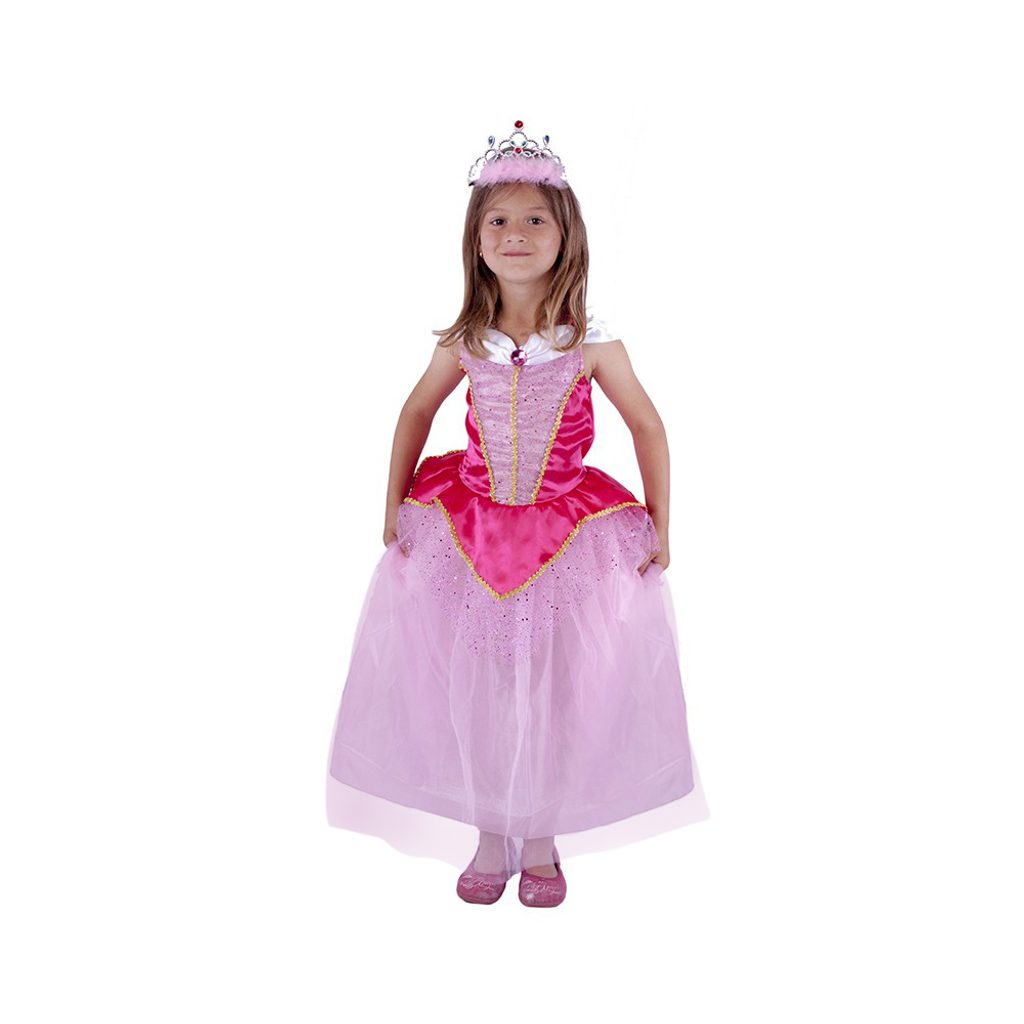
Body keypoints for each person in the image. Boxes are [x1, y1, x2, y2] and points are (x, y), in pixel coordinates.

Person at [325, 121, 709, 908]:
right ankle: (490, 830)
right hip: (471, 536)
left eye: (536, 218)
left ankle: (541, 835)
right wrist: (391, 506)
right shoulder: (468, 338)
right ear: (476, 241)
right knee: (483, 688)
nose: (516, 233)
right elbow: (416, 411)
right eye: (498, 220)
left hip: (566, 539)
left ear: (567, 236)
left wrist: (661, 523)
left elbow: (647, 424)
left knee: (556, 689)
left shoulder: (590, 341)